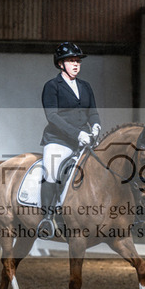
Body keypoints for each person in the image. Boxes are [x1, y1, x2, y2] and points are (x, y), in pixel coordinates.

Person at [37, 42, 101, 239]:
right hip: (58, 140)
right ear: (60, 64)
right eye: (71, 61)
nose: (76, 64)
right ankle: (47, 219)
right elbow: (52, 117)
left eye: (78, 61)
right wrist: (77, 134)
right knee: (51, 171)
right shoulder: (52, 86)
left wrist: (96, 126)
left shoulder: (85, 86)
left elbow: (93, 112)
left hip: (85, 140)